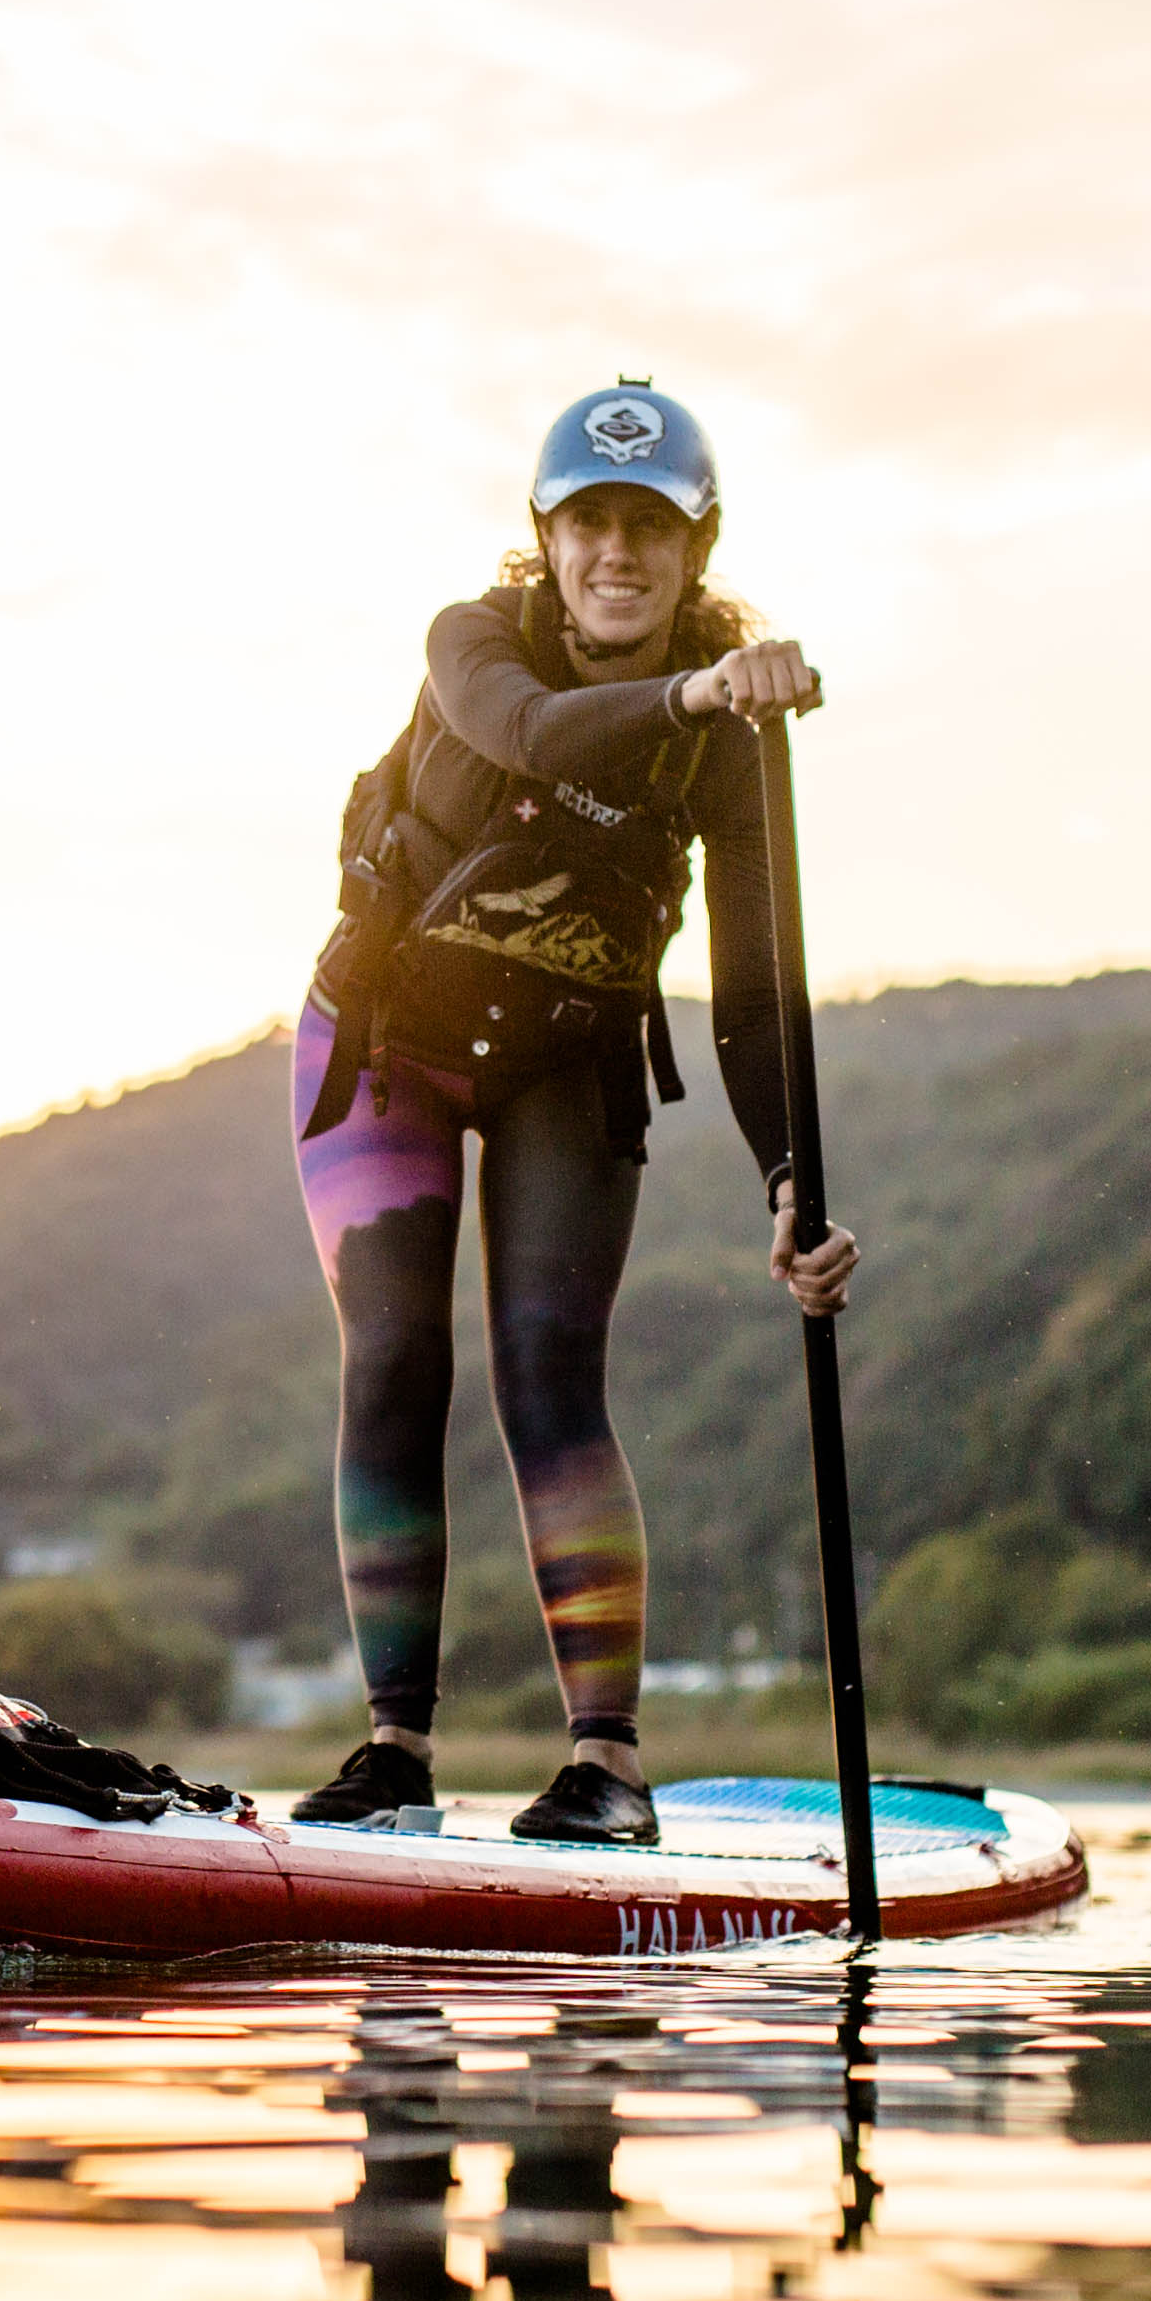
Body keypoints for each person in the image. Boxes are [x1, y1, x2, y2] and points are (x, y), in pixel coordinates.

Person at [285, 382, 856, 1848]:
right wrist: (699, 693)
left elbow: (753, 990)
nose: (617, 553)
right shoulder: (472, 641)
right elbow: (534, 734)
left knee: (552, 1379)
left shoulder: (731, 739)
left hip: (569, 1064)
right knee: (397, 1359)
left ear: (696, 548)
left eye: (649, 528)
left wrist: (789, 1182)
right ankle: (393, 1753)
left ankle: (606, 1770)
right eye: (589, 522)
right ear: (544, 537)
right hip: (385, 1045)